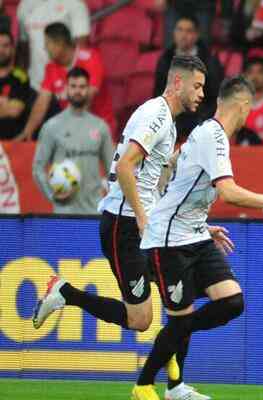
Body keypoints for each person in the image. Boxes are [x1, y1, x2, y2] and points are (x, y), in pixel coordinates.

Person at [32, 55, 207, 400]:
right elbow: (126, 167)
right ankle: (65, 293)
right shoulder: (156, 115)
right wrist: (144, 219)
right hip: (125, 226)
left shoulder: (165, 121)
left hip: (144, 223)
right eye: (197, 86)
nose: (202, 93)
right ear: (177, 83)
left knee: (183, 293)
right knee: (141, 319)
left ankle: (175, 386)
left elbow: (144, 174)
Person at [133, 76, 263, 400]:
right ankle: (144, 386)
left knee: (232, 301)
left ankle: (175, 372)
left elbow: (177, 180)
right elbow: (229, 193)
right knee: (181, 319)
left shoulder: (206, 133)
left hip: (194, 234)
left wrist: (203, 225)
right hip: (169, 242)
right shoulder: (213, 137)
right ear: (245, 106)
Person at [32, 67, 113, 214]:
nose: (77, 91)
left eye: (82, 87)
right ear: (66, 89)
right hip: (63, 212)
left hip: (93, 212)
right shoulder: (52, 126)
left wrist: (110, 201)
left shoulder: (101, 127)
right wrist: (52, 195)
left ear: (88, 89)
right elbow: (37, 168)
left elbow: (113, 171)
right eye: (73, 86)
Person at [17, 23, 115, 142]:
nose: (45, 47)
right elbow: (41, 103)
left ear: (60, 44)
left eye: (47, 43)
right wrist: (28, 130)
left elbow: (87, 98)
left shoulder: (89, 58)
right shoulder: (51, 68)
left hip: (100, 127)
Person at [154, 15, 224, 140]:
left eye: (188, 31)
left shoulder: (209, 59)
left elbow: (215, 96)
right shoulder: (165, 59)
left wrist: (203, 119)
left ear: (197, 35)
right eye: (179, 30)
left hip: (200, 117)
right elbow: (159, 92)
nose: (183, 35)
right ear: (173, 32)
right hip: (172, 116)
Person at [17, 0, 90, 89]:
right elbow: (24, 46)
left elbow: (81, 48)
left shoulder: (75, 3)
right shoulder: (25, 5)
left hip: (66, 86)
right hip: (35, 84)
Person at [0, 29, 36, 140]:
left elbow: (15, 111)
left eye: (5, 46)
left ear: (12, 49)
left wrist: (8, 106)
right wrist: (5, 105)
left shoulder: (21, 77)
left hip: (12, 143)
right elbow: (9, 109)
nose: (1, 50)